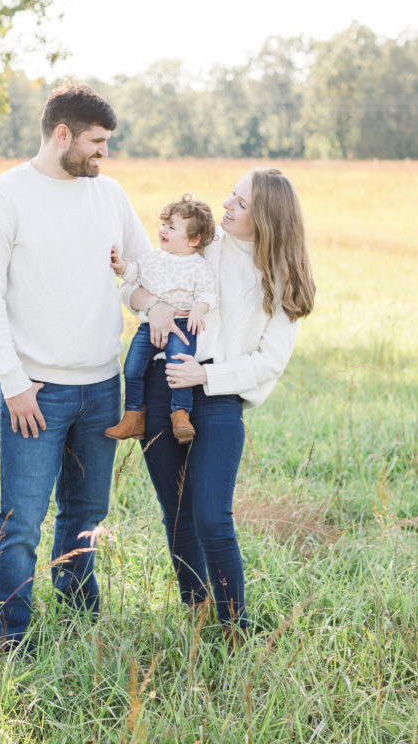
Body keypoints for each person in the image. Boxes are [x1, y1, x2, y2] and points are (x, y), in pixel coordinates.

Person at [0, 82, 150, 653]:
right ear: (62, 134)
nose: (104, 154)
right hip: (36, 392)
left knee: (87, 515)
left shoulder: (110, 195)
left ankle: (77, 620)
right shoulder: (2, 197)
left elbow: (145, 277)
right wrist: (13, 384)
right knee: (20, 521)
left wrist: (131, 278)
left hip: (101, 385)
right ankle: (8, 638)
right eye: (97, 143)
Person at [122, 168, 316, 642]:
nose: (227, 204)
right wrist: (155, 306)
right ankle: (197, 611)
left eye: (241, 202)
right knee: (177, 513)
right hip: (160, 387)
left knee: (212, 515)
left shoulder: (281, 278)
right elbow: (134, 284)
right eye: (232, 194)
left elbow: (268, 361)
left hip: (219, 399)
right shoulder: (205, 241)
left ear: (267, 217)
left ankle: (234, 630)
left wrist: (206, 375)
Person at [105, 194, 217, 444]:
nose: (163, 230)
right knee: (132, 366)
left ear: (194, 239)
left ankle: (180, 414)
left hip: (183, 326)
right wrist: (123, 267)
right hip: (149, 325)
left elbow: (208, 293)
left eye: (172, 227)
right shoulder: (153, 258)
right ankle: (134, 416)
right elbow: (135, 274)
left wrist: (199, 309)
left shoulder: (199, 266)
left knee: (178, 368)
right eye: (164, 224)